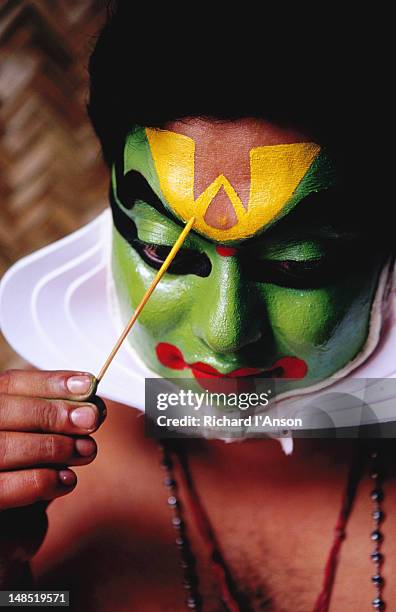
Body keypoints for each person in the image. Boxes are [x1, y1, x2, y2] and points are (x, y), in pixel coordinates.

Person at [0, 3, 394, 610]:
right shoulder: (38, 477)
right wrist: (12, 587)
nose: (226, 335)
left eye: (297, 263)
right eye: (164, 252)